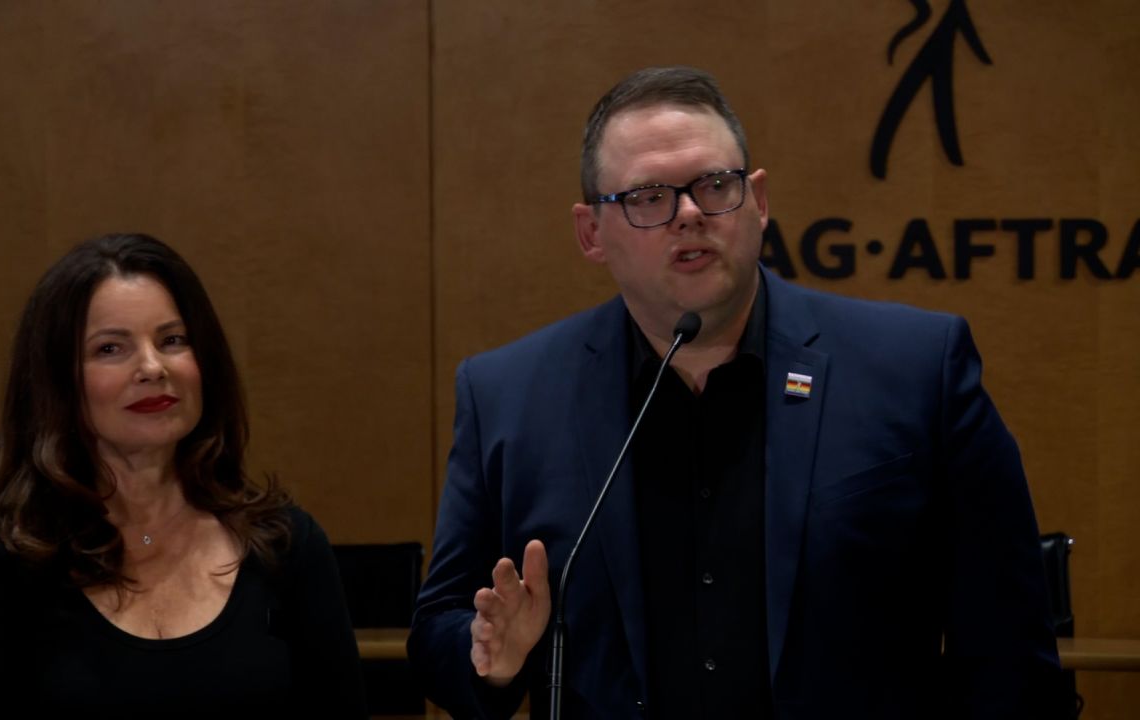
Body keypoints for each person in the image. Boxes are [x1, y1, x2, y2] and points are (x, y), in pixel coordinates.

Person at [408, 67, 1061, 719]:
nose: (689, 214)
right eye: (648, 196)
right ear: (591, 233)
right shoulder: (509, 397)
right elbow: (441, 627)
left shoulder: (917, 369)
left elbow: (1007, 646)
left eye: (714, 185)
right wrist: (492, 655)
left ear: (759, 201)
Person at [0, 233, 366, 717]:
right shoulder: (5, 560)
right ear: (58, 380)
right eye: (111, 348)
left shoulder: (286, 545)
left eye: (173, 340)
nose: (153, 367)